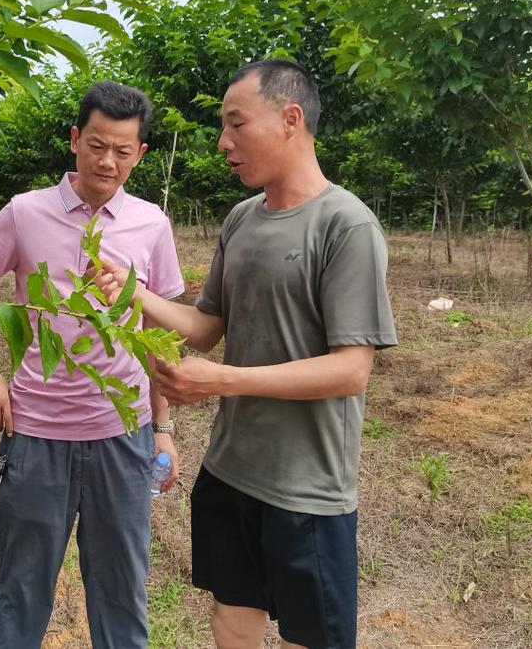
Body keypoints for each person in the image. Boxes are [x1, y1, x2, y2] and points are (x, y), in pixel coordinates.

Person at [97, 61, 397, 649]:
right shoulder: (241, 219)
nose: (223, 142)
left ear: (290, 120)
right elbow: (206, 327)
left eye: (236, 124)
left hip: (306, 484)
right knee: (232, 614)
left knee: (311, 635)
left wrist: (221, 382)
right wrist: (134, 291)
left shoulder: (346, 225)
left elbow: (350, 369)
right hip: (232, 468)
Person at [0, 81, 186, 649]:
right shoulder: (26, 213)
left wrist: (164, 429)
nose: (108, 162)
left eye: (124, 151)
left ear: (141, 155)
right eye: (98, 145)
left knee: (122, 596)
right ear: (76, 140)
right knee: (21, 592)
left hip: (124, 437)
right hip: (36, 435)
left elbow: (156, 332)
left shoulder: (151, 224)